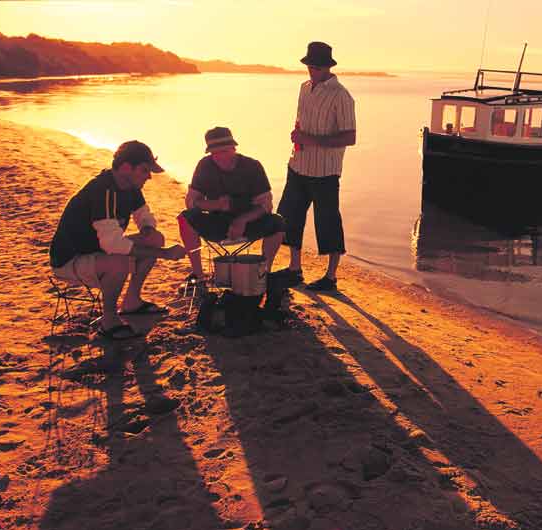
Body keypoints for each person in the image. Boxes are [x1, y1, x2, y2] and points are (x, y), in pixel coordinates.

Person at [49, 141, 186, 340]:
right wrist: (164, 254)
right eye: (144, 170)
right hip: (70, 259)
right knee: (119, 261)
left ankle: (131, 301)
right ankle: (109, 321)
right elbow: (113, 245)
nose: (149, 176)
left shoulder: (129, 185)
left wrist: (147, 228)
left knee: (155, 239)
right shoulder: (104, 190)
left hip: (97, 249)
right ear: (125, 167)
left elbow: (144, 215)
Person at [275, 41, 356, 292]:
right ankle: (294, 269)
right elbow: (302, 121)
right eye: (309, 66)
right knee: (289, 218)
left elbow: (349, 137)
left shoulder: (341, 96)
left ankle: (330, 277)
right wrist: (298, 134)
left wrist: (312, 140)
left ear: (326, 67)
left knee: (328, 221)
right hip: (298, 164)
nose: (311, 71)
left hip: (325, 171)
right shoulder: (304, 88)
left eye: (315, 67)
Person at [177, 127, 285, 288]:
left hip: (248, 223)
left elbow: (266, 204)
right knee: (185, 218)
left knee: (278, 222)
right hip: (217, 221)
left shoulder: (252, 166)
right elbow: (191, 201)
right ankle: (199, 276)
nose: (220, 156)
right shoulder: (205, 166)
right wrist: (215, 204)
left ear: (234, 148)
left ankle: (264, 273)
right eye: (215, 153)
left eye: (225, 151)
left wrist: (242, 219)